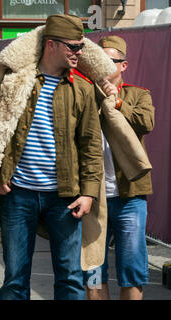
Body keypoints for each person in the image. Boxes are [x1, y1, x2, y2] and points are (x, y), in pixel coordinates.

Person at [0, 14, 110, 300]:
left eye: (81, 47)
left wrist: (88, 193)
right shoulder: (14, 83)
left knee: (71, 278)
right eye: (73, 47)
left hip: (65, 196)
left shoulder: (82, 90)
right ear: (51, 45)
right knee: (15, 279)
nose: (79, 53)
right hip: (17, 194)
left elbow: (91, 147)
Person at [84, 35, 155, 300]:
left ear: (123, 65)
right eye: (98, 60)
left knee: (132, 270)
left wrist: (117, 103)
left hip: (129, 197)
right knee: (92, 270)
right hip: (92, 196)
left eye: (109, 61)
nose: (102, 66)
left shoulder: (137, 94)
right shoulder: (83, 93)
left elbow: (146, 122)